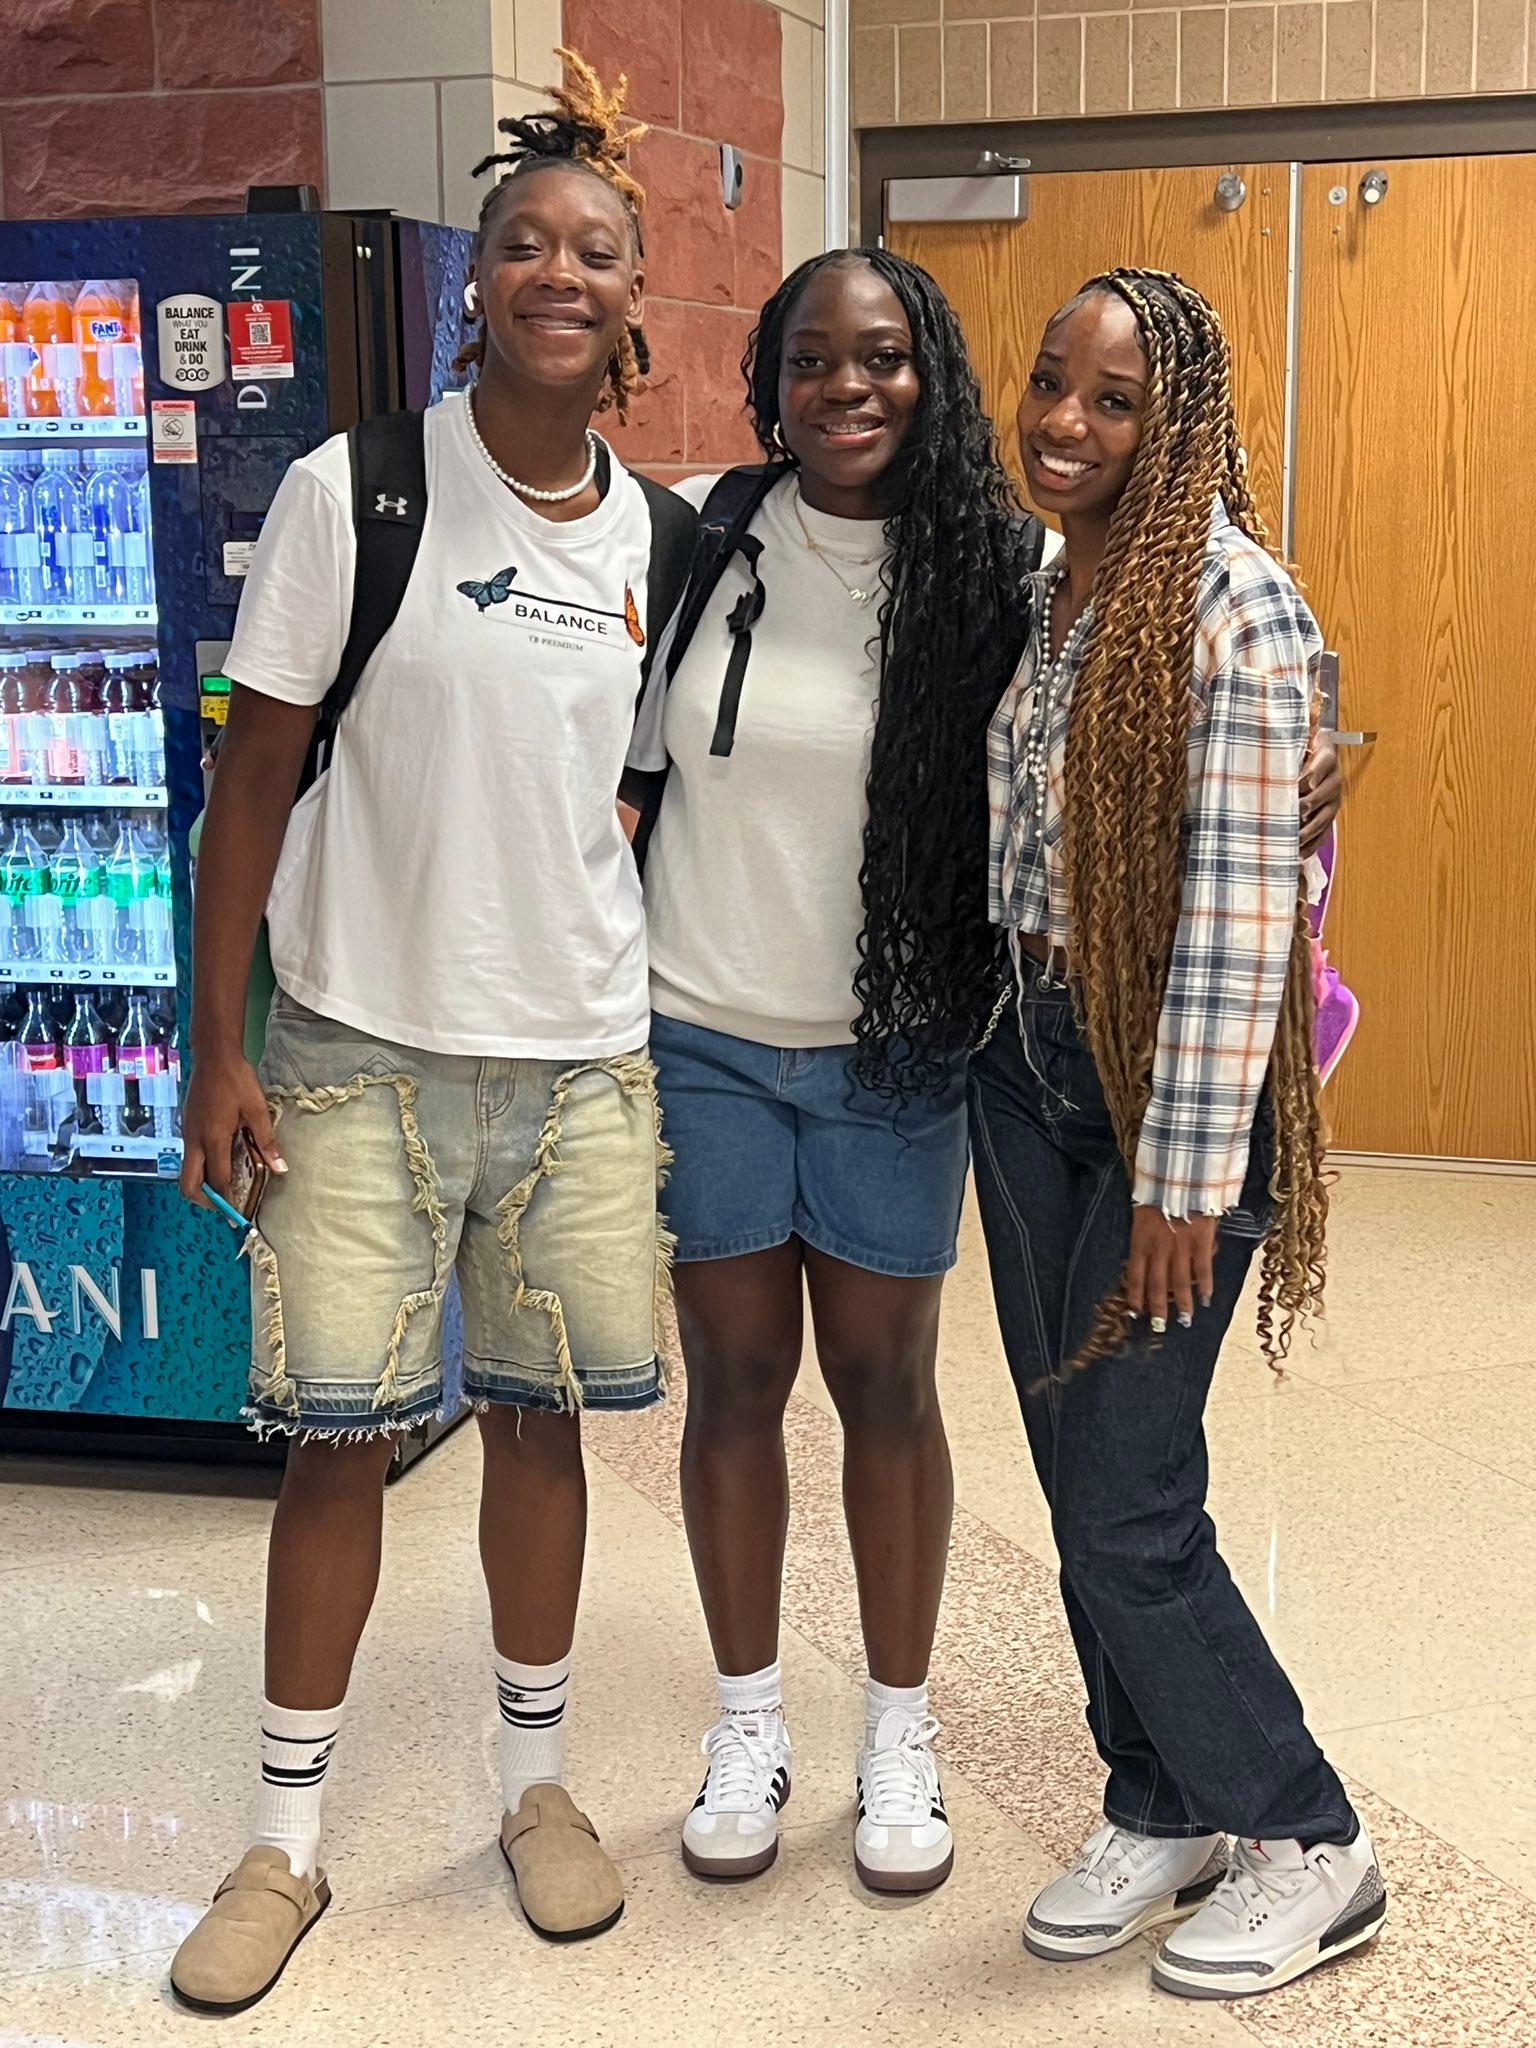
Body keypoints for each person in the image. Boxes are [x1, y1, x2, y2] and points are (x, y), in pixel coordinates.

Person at [624, 251, 1342, 1897]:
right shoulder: (733, 539)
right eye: (811, 359)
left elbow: (1237, 792)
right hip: (886, 1050)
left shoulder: (1067, 570)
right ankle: (1124, 1796)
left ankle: (1240, 1816)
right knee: (966, 1433)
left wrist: (1311, 781)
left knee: (1080, 1469)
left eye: (882, 356)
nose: (848, 389)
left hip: (990, 1062)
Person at [168, 57, 682, 2013]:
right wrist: (222, 1046)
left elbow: (638, 799)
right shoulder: (353, 493)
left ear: (637, 297)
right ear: (479, 283)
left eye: (599, 249)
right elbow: (256, 782)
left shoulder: (653, 539)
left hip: (572, 1064)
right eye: (530, 242)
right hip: (359, 1054)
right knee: (337, 1441)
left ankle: (535, 1790)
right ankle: (286, 1838)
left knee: (546, 1424)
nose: (562, 270)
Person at [970, 269, 1385, 1998]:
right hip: (1027, 1061)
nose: (1065, 421)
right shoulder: (1049, 585)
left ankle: (1306, 1833)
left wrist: (1184, 1180)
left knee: (1130, 1495)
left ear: (1182, 418)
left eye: (1113, 398)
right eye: (1052, 382)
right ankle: (1158, 1797)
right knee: (1077, 1468)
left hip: (1166, 1101)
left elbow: (1233, 922)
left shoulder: (1238, 612)